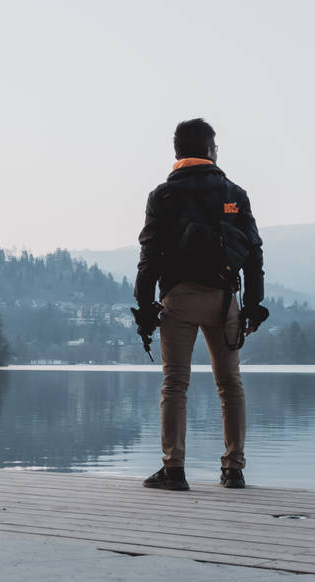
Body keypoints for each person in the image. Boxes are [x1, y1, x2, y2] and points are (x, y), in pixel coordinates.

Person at [133, 118, 267, 491]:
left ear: (178, 152)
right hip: (224, 301)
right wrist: (253, 305)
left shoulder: (162, 196)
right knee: (230, 384)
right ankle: (233, 469)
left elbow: (149, 256)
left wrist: (144, 306)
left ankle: (174, 470)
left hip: (178, 299)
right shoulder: (234, 193)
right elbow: (254, 253)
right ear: (209, 150)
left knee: (175, 384)